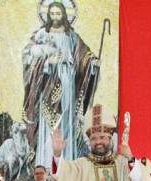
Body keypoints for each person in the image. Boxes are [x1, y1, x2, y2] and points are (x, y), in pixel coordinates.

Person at [22, 1, 100, 169]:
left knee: (66, 120)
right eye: (53, 13)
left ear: (64, 15)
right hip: (48, 83)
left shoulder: (71, 36)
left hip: (68, 83)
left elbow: (84, 55)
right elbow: (28, 57)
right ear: (47, 15)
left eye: (59, 13)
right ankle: (45, 164)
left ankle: (66, 164)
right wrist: (48, 61)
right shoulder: (41, 34)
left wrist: (92, 62)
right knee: (48, 123)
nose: (55, 17)